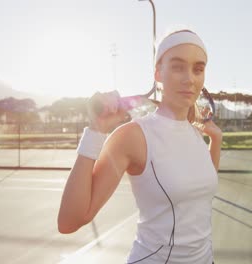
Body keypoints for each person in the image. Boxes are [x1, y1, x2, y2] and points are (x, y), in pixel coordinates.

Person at [57, 29, 222, 264]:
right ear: (158, 73)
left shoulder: (196, 132)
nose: (190, 78)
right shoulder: (134, 136)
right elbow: (70, 221)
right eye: (177, 66)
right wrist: (96, 131)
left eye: (198, 69)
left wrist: (216, 141)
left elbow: (203, 188)